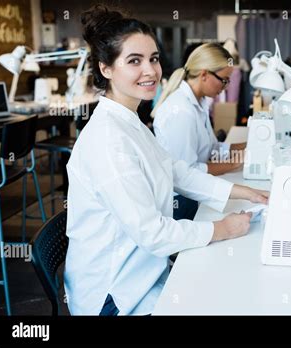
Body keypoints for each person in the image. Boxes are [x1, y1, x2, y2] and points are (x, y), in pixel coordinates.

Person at [64, 5, 268, 316]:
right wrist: (223, 229)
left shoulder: (129, 122)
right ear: (106, 68)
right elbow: (153, 233)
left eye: (154, 59)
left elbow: (177, 172)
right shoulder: (108, 141)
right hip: (114, 295)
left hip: (144, 272)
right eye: (134, 61)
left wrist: (244, 192)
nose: (150, 71)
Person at [152, 43, 247, 220]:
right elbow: (187, 173)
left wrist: (248, 147)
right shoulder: (181, 111)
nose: (226, 86)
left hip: (192, 192)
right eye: (224, 80)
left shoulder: (199, 103)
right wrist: (235, 165)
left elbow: (210, 148)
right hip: (179, 201)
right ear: (204, 74)